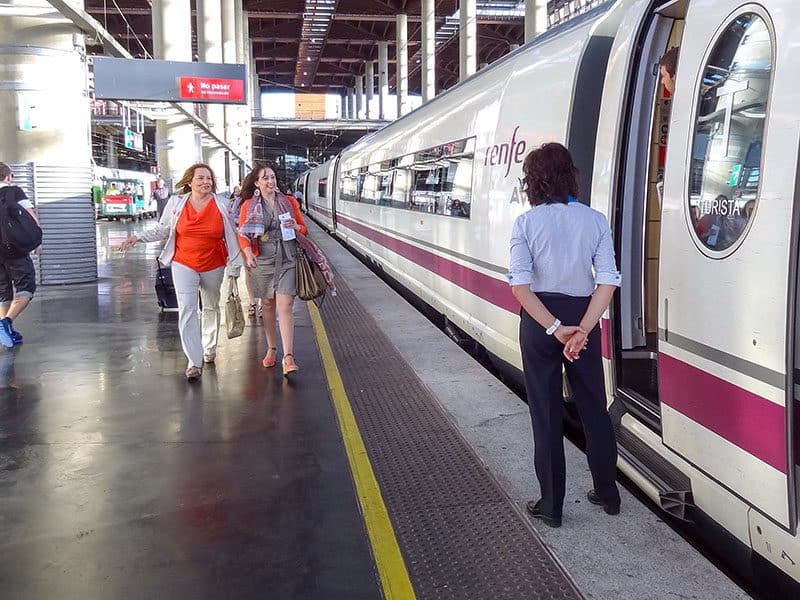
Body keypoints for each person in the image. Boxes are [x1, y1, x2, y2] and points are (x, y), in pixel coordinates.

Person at [507, 142, 622, 528]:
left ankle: (551, 505)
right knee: (593, 407)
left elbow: (520, 287)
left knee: (546, 412)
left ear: (533, 182)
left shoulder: (526, 223)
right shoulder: (595, 221)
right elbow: (607, 280)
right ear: (571, 176)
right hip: (583, 319)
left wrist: (556, 330)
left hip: (542, 323)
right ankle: (608, 493)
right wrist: (582, 330)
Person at [117, 163, 243, 381]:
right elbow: (162, 229)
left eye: (209, 178)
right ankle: (194, 361)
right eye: (201, 178)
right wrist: (137, 237)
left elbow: (233, 234)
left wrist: (237, 264)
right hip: (183, 263)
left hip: (214, 263)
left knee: (211, 306)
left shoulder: (222, 205)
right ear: (189, 182)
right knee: (187, 310)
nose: (206, 182)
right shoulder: (176, 204)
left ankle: (209, 347)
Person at [237, 164, 308, 376]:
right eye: (265, 178)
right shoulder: (248, 205)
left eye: (273, 177)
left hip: (288, 258)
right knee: (268, 304)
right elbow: (243, 233)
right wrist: (248, 252)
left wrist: (297, 227)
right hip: (263, 260)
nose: (270, 181)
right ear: (256, 182)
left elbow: (304, 229)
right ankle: (271, 348)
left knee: (285, 304)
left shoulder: (289, 202)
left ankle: (288, 356)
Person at [0, 162, 40, 348]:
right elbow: (31, 217)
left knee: (3, 290)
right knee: (26, 287)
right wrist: (37, 240)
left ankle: (5, 332)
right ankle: (5, 323)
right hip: (14, 249)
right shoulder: (14, 192)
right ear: (8, 177)